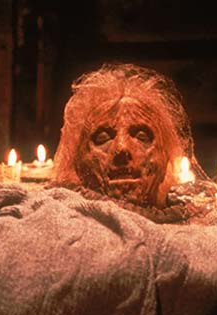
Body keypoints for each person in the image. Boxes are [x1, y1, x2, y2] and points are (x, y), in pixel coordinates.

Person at [53, 63, 208, 208]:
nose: (122, 148)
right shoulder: (54, 217)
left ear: (165, 157)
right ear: (78, 161)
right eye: (103, 138)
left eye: (142, 137)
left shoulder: (198, 222)